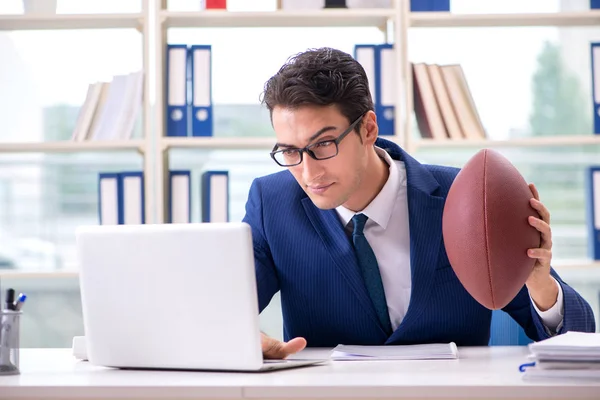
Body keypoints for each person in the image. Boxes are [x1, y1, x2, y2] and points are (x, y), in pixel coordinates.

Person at [242, 47, 596, 359]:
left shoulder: (466, 197)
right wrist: (241, 339)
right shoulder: (271, 203)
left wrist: (539, 283)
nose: (308, 172)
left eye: (323, 145)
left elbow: (577, 335)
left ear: (368, 129)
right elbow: (225, 314)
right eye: (290, 151)